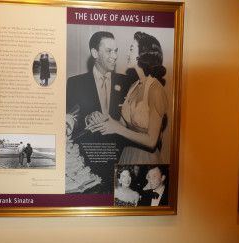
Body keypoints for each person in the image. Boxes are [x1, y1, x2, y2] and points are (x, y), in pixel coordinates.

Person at [66, 31, 132, 193]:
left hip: (121, 159)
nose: (114, 56)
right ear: (95, 53)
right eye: (109, 51)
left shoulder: (127, 83)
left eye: (116, 50)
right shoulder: (75, 83)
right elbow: (67, 124)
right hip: (88, 162)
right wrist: (87, 119)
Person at [88, 31, 168, 164]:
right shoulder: (133, 86)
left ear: (142, 54)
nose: (127, 53)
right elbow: (122, 124)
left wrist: (117, 129)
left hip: (146, 160)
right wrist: (105, 119)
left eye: (131, 49)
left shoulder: (156, 89)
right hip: (126, 156)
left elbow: (152, 141)